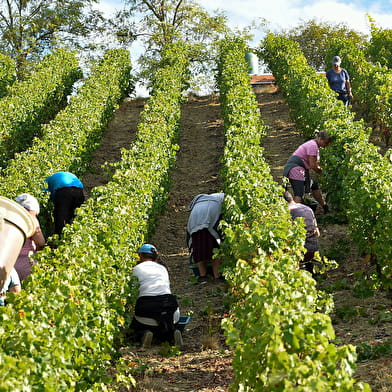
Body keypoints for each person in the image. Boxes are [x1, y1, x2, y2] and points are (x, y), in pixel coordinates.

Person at [130, 244, 183, 348]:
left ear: (140, 256)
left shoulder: (136, 269)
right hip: (171, 309)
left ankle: (144, 334)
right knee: (166, 323)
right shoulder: (163, 269)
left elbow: (133, 293)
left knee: (134, 328)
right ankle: (173, 334)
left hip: (147, 309)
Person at [283, 131, 331, 214]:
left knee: (314, 185)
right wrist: (323, 173)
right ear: (320, 139)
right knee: (299, 194)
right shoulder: (313, 146)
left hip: (301, 169)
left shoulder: (314, 146)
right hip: (296, 169)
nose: (326, 145)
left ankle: (324, 206)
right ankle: (294, 216)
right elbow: (313, 165)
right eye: (325, 143)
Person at [187, 193, 225, 284]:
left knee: (198, 248)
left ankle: (202, 276)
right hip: (210, 218)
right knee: (216, 249)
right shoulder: (222, 200)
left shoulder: (200, 202)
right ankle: (217, 276)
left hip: (195, 221)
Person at [284, 191, 320, 275]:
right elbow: (317, 233)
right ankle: (310, 271)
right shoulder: (308, 208)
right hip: (312, 250)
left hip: (299, 253)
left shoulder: (285, 212)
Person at [14, 194, 46, 281]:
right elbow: (40, 243)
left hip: (7, 264)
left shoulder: (8, 217)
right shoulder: (31, 220)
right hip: (26, 264)